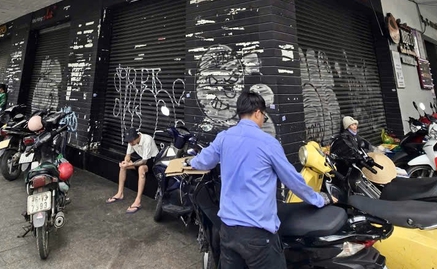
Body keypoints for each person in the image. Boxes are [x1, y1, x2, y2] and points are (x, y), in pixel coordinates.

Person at [189, 92, 334, 269]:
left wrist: (190, 162)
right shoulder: (268, 143)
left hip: (228, 231)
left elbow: (203, 161)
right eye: (264, 116)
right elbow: (293, 180)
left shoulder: (224, 137)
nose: (263, 121)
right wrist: (320, 199)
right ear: (258, 112)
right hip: (258, 236)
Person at [106, 127, 159, 213]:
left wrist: (130, 164)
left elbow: (144, 161)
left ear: (137, 137)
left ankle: (138, 201)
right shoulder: (131, 142)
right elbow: (128, 155)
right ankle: (120, 193)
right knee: (123, 166)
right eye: (129, 142)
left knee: (141, 169)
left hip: (153, 161)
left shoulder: (147, 140)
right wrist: (125, 162)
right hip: (142, 159)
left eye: (132, 141)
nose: (130, 143)